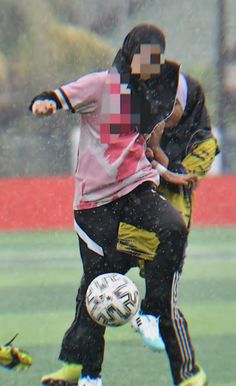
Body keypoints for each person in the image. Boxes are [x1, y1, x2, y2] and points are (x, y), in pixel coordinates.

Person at [30, 24, 205, 386]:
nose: (152, 63)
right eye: (145, 55)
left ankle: (154, 317)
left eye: (157, 56)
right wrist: (44, 103)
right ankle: (83, 372)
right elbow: (58, 96)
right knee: (96, 286)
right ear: (129, 53)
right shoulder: (100, 85)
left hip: (135, 190)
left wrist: (167, 164)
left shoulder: (157, 91)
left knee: (173, 228)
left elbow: (167, 120)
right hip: (94, 205)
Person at [131, 71, 219, 363]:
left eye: (173, 106)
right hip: (133, 217)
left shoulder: (203, 142)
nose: (165, 112)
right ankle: (79, 369)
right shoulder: (142, 121)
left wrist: (155, 151)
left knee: (166, 308)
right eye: (160, 104)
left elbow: (184, 178)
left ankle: (189, 376)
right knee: (95, 287)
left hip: (170, 226)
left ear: (185, 103)